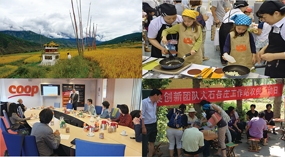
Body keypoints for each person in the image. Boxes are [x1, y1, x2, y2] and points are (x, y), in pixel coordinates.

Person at [256, 1, 285, 78]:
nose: (264, 20)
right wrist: (264, 49)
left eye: (264, 17)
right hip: (273, 65)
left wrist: (274, 56)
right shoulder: (276, 24)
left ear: (276, 13)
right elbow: (276, 42)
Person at [219, 1, 248, 65]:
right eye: (246, 7)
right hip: (232, 27)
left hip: (223, 27)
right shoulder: (241, 14)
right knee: (233, 44)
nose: (246, 9)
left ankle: (223, 60)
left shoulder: (229, 11)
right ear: (242, 7)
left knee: (223, 43)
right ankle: (232, 60)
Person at [142, 89, 162, 157]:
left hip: (154, 124)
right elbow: (142, 115)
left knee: (152, 142)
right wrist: (143, 127)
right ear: (155, 95)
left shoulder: (155, 103)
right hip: (146, 125)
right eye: (159, 96)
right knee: (144, 144)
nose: (159, 98)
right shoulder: (144, 102)